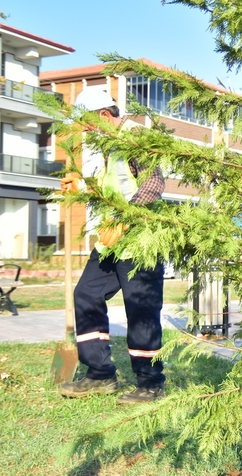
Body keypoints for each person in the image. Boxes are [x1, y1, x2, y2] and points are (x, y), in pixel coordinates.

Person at [59, 88, 167, 405]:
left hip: (140, 241)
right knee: (86, 294)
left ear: (105, 115)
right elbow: (112, 187)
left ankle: (151, 383)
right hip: (112, 243)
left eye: (88, 123)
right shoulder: (108, 144)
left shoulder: (134, 137)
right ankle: (100, 374)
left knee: (141, 309)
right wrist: (78, 185)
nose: (85, 130)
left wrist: (126, 217)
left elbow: (153, 183)